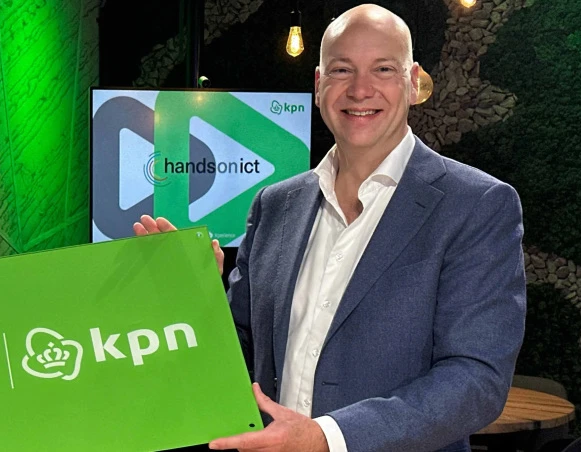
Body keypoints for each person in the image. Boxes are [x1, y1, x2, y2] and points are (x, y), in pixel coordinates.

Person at [135, 4, 526, 451]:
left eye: (383, 69)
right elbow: (242, 355)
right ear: (319, 85)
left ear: (413, 81)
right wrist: (195, 296)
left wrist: (328, 437)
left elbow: (476, 380)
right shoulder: (274, 205)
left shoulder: (476, 205)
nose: (360, 89)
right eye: (342, 70)